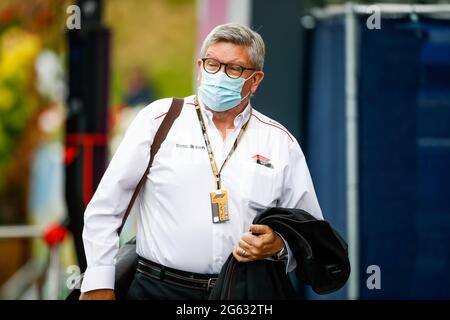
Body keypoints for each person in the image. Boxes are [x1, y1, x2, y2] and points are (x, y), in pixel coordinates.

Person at [79, 23, 323, 300]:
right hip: (158, 290)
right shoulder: (159, 120)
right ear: (199, 67)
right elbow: (106, 207)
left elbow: (310, 229)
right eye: (212, 64)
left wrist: (280, 245)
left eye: (233, 69)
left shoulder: (280, 142)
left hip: (245, 294)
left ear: (255, 80)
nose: (219, 75)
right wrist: (98, 283)